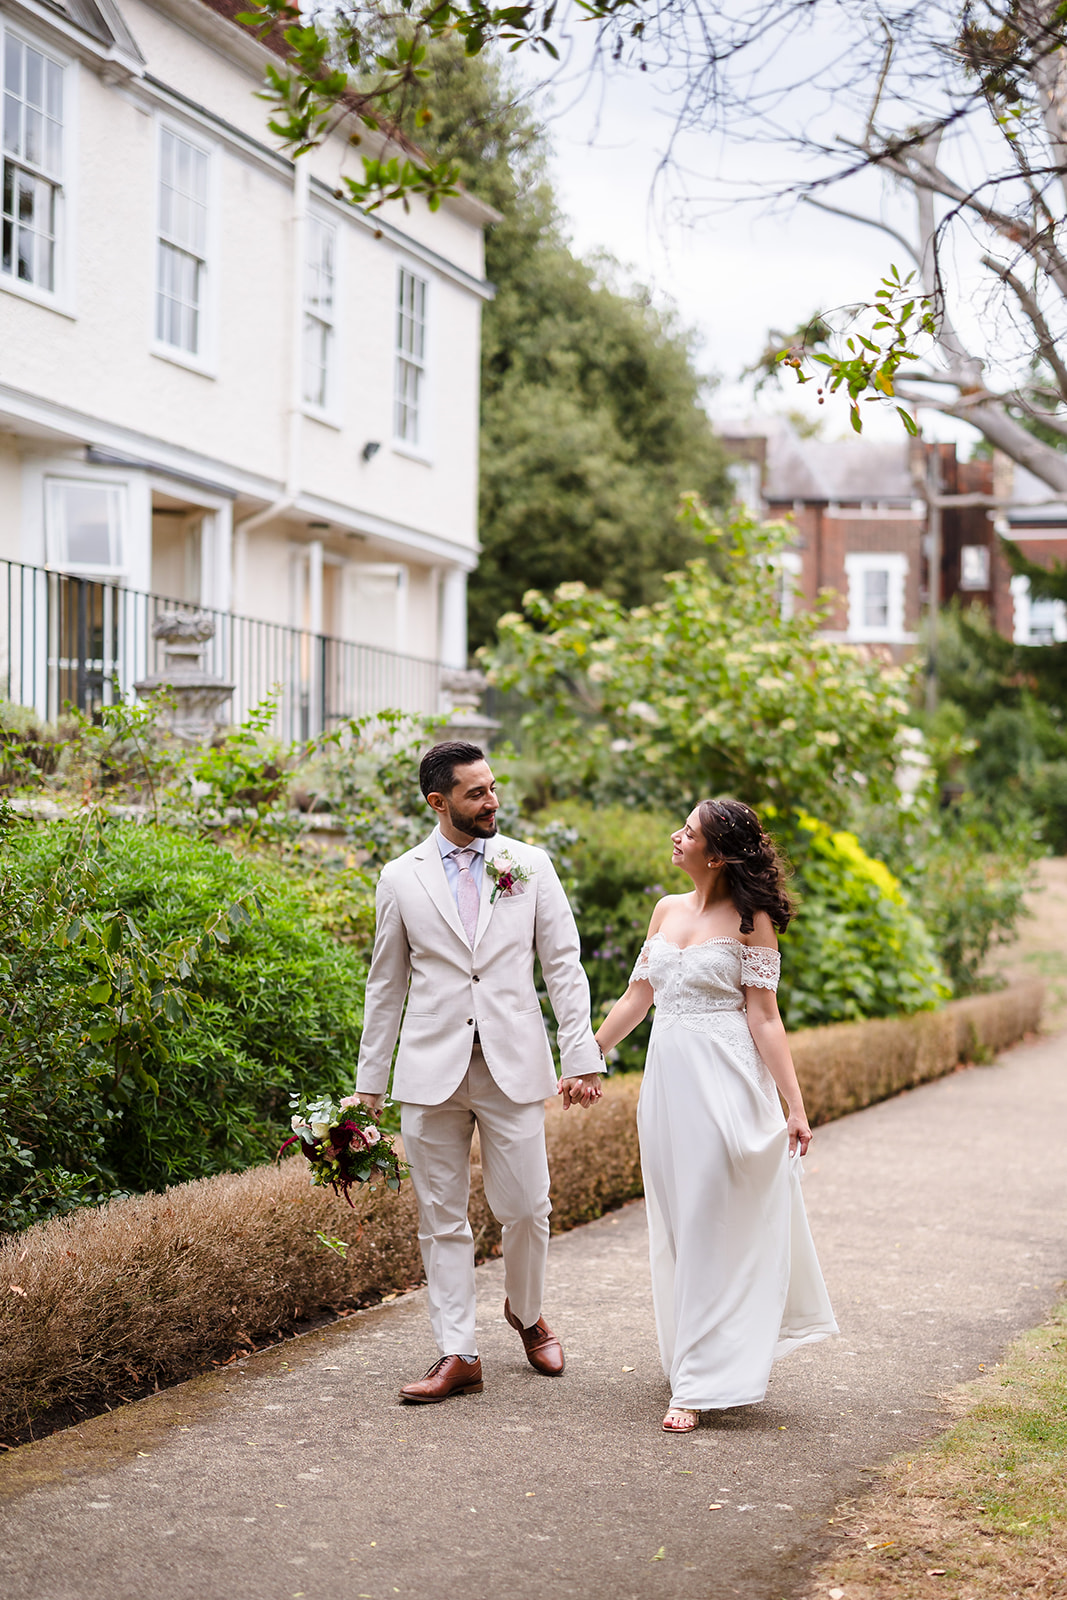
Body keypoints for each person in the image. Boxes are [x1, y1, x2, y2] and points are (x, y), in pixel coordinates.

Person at [348, 740, 604, 1404]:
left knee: (526, 1207)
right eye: (475, 793)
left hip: (511, 1065)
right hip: (430, 1069)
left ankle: (525, 1312)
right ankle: (457, 1351)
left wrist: (580, 1057)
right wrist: (368, 1082)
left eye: (493, 788)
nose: (492, 801)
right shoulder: (400, 876)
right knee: (439, 1217)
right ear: (438, 803)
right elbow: (385, 985)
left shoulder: (530, 865)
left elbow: (563, 967)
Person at [595, 798, 838, 1433]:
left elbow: (764, 1016)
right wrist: (588, 1055)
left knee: (708, 1220)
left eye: (690, 832)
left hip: (725, 1085)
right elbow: (638, 998)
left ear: (717, 852)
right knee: (676, 1221)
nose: (676, 836)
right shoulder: (666, 910)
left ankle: (699, 1384)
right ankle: (692, 1355)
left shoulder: (752, 919)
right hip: (666, 1087)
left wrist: (795, 1106)